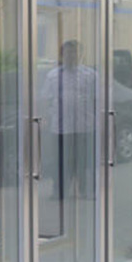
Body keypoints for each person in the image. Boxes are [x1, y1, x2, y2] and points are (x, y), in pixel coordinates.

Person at [40, 39, 97, 199]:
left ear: (80, 54)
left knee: (84, 161)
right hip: (61, 126)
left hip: (84, 126)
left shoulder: (90, 75)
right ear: (62, 55)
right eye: (68, 52)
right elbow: (45, 98)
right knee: (61, 161)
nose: (71, 55)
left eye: (74, 52)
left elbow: (97, 99)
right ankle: (59, 191)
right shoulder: (53, 76)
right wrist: (45, 118)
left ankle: (86, 191)